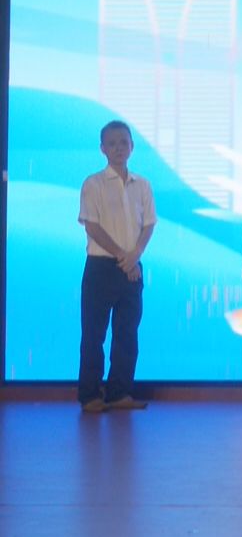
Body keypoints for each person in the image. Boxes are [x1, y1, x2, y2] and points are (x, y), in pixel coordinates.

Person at [77, 120, 156, 412]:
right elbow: (92, 226)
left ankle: (119, 392)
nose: (118, 148)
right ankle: (90, 395)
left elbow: (149, 224)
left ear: (132, 146)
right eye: (112, 143)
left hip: (133, 267)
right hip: (101, 267)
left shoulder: (143, 185)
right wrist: (125, 258)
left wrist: (135, 255)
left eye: (123, 142)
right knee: (94, 334)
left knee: (127, 334)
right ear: (102, 149)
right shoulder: (93, 183)